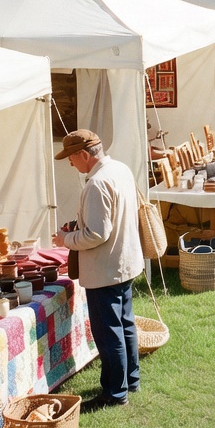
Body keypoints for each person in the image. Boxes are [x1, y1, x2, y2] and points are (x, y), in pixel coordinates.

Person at [51, 130, 143, 409]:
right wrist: (77, 227)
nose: (70, 163)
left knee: (109, 332)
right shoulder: (120, 169)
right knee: (125, 324)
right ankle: (131, 379)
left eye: (71, 158)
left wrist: (65, 239)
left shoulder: (97, 184)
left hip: (105, 269)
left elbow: (97, 235)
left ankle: (115, 393)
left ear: (84, 155)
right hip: (124, 261)